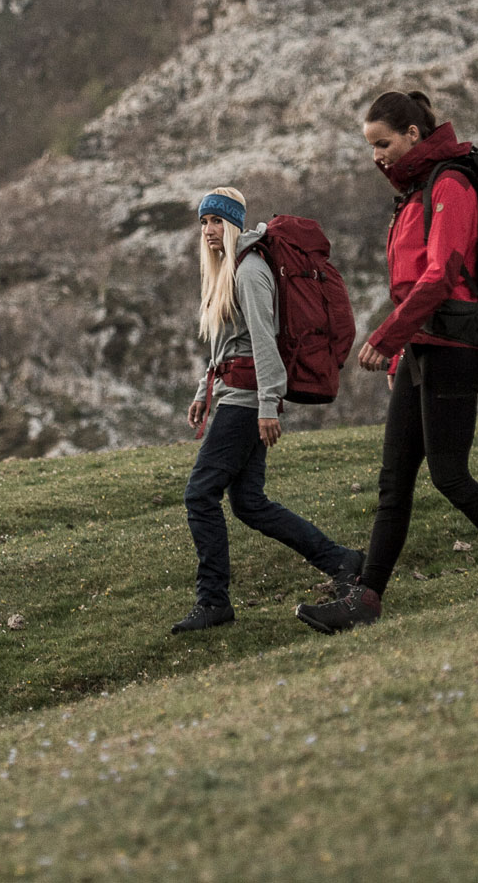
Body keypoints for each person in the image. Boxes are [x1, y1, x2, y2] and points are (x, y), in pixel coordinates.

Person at [296, 92, 478, 634]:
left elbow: (440, 276)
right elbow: (413, 282)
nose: (376, 157)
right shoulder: (414, 192)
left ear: (414, 133)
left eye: (382, 144)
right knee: (395, 483)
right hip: (421, 349)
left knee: (450, 475)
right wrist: (400, 358)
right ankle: (366, 602)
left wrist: (386, 341)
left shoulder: (450, 185)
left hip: (453, 349)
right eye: (370, 147)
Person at [172, 186, 364, 633]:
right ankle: (344, 562)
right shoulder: (226, 272)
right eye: (203, 222)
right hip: (234, 396)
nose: (209, 230)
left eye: (217, 221)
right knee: (249, 504)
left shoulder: (251, 270)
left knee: (200, 494)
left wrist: (267, 405)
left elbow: (264, 341)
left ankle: (214, 601)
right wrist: (205, 390)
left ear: (235, 223)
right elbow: (228, 346)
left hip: (248, 402)